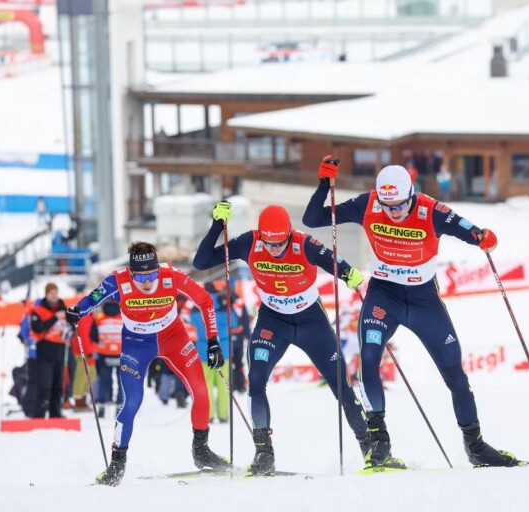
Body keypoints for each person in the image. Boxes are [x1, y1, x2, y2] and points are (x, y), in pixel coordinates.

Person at [303, 156, 519, 469]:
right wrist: (324, 184)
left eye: (400, 206)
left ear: (412, 195)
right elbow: (312, 219)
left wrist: (484, 237)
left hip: (423, 301)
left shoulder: (431, 210)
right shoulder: (368, 204)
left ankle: (475, 446)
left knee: (454, 372)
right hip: (383, 296)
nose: (394, 212)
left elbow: (471, 231)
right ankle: (380, 445)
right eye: (387, 206)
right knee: (368, 358)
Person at [194, 203, 370, 475]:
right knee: (256, 380)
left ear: (288, 234)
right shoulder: (250, 242)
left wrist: (349, 274)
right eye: (269, 244)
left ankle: (370, 448)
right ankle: (264, 453)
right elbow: (202, 261)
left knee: (341, 385)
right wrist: (217, 225)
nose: (274, 249)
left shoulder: (303, 243)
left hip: (310, 320)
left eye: (280, 244)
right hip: (272, 321)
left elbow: (332, 261)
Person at [64, 241, 229, 486]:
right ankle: (117, 465)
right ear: (131, 273)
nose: (147, 282)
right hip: (136, 344)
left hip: (173, 338)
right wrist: (76, 311)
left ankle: (201, 450)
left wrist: (213, 341)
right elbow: (92, 299)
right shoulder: (117, 280)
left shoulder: (171, 275)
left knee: (200, 390)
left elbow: (204, 300)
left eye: (152, 275)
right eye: (140, 277)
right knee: (132, 402)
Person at [190, 283, 235, 423]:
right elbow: (234, 323)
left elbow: (192, 322)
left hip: (204, 349)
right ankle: (223, 414)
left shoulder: (197, 306)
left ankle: (208, 415)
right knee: (223, 382)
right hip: (223, 349)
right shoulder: (224, 304)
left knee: (206, 383)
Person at [29, 283, 70, 418]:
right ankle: (39, 414)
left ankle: (55, 413)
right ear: (46, 295)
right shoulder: (39, 310)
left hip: (60, 351)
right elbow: (37, 328)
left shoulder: (64, 310)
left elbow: (72, 326)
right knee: (44, 385)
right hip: (45, 351)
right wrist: (54, 318)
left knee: (58, 385)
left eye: (55, 292)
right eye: (51, 293)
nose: (54, 295)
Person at [91, 300, 124, 414]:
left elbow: (93, 336)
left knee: (104, 380)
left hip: (104, 353)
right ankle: (119, 404)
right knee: (121, 381)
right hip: (121, 353)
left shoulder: (99, 319)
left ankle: (102, 404)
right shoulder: (124, 319)